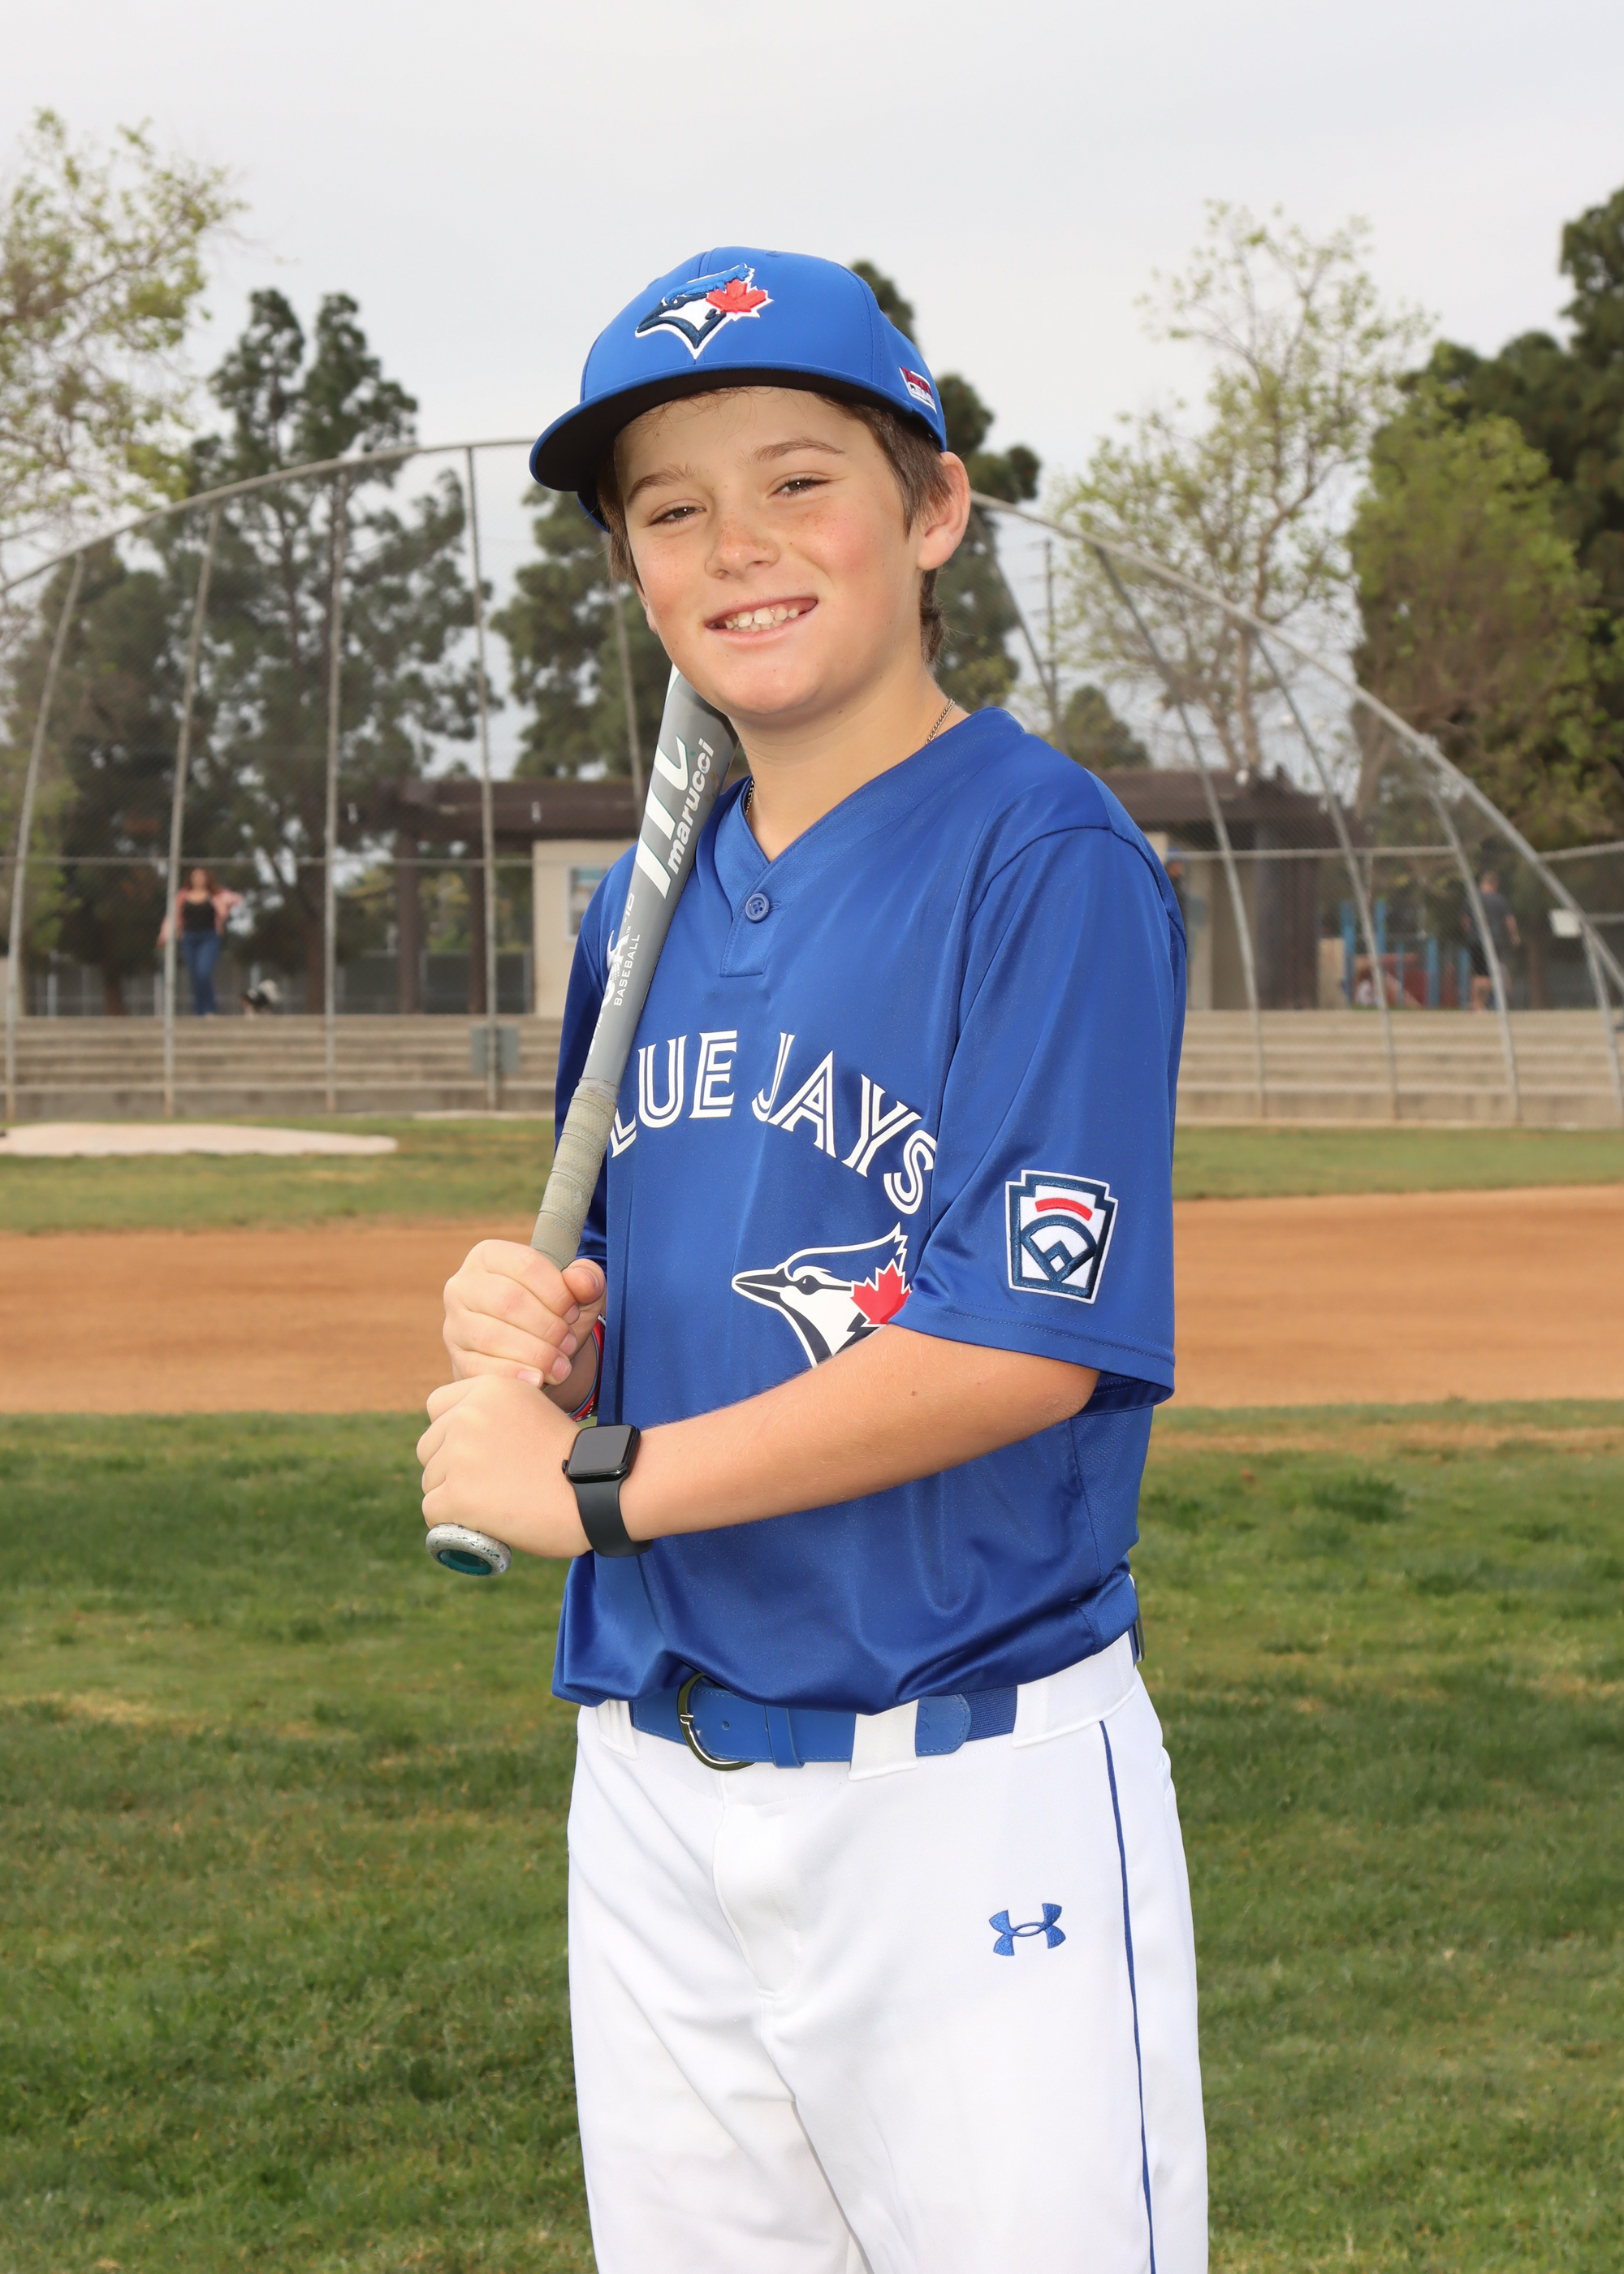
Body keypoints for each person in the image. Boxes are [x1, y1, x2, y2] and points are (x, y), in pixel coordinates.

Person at [418, 249, 1203, 2274]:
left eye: (796, 483)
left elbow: (1014, 1346)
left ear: (931, 509)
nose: (735, 546)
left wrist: (599, 1483)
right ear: (630, 568)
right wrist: (559, 1349)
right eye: (671, 509)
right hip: (655, 1777)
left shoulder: (1041, 858)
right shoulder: (645, 902)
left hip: (961, 1783)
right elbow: (654, 1277)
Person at [158, 867, 240, 1017]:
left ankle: (210, 1008)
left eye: (201, 876)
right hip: (188, 938)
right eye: (195, 876)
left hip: (209, 938)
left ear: (207, 879)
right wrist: (164, 935)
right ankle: (200, 1012)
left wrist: (223, 900)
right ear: (190, 879)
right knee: (195, 976)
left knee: (203, 972)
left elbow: (235, 900)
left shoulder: (215, 895)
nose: (198, 879)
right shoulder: (182, 896)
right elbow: (172, 917)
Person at [1465, 868, 1521, 1011]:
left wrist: (1471, 932)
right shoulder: (1499, 900)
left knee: (1478, 973)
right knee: (1488, 974)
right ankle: (1481, 1004)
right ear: (1494, 884)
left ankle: (1475, 1002)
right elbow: (1509, 920)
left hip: (1475, 940)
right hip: (1494, 940)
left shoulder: (1473, 899)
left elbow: (1466, 920)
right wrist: (1514, 936)